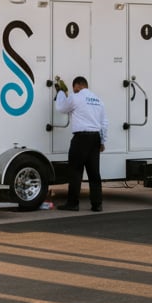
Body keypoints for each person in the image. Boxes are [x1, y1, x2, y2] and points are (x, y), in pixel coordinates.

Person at [53, 75, 108, 212]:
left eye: (74, 88)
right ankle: (97, 204)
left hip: (81, 138)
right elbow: (104, 123)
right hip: (95, 137)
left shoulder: (75, 97)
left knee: (75, 171)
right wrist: (102, 140)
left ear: (77, 85)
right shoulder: (98, 100)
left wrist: (60, 92)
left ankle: (73, 204)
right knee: (94, 173)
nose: (74, 90)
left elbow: (61, 108)